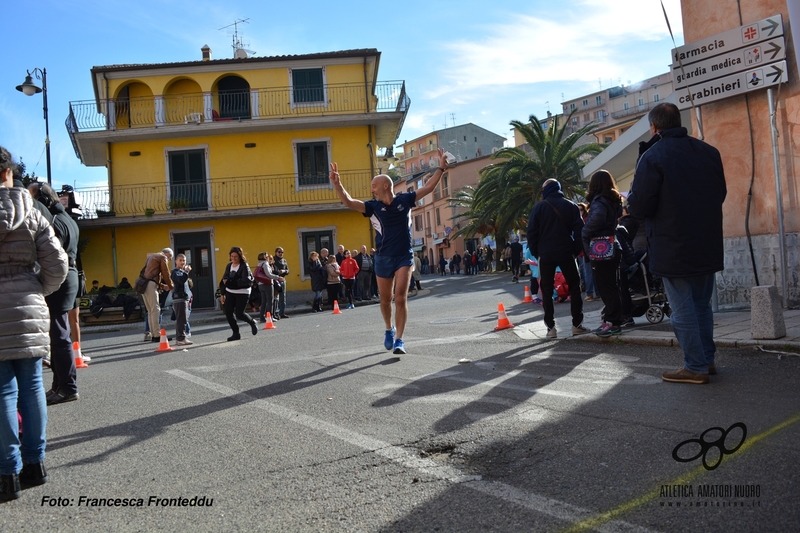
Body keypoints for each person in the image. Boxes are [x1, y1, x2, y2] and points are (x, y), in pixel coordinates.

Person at [628, 102, 726, 384]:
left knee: (682, 309)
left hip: (672, 245)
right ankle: (706, 361)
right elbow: (720, 192)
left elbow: (640, 205)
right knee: (701, 305)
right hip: (706, 241)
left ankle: (694, 366)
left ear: (654, 127)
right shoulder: (709, 152)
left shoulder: (652, 156)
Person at [329, 148, 447, 354]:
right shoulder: (372, 207)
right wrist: (337, 184)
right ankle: (388, 329)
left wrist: (441, 168)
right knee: (385, 300)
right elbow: (349, 202)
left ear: (385, 186)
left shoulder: (405, 200)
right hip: (383, 257)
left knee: (400, 297)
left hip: (403, 255)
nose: (372, 189)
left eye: (374, 186)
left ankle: (400, 340)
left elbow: (428, 188)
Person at [0, 148, 68, 500]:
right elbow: (58, 263)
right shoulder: (32, 213)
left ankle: (7, 473)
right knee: (31, 386)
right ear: (9, 173)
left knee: (2, 392)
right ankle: (35, 465)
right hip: (27, 303)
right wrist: (36, 289)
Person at [28, 182, 81, 405]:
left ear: (44, 200)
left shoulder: (55, 221)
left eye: (34, 199)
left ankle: (67, 387)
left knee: (59, 336)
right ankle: (60, 386)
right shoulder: (66, 218)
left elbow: (51, 252)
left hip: (61, 277)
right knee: (59, 334)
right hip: (69, 275)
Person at [526, 179, 589, 339]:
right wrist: (574, 250)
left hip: (545, 254)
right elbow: (580, 230)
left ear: (546, 190)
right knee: (574, 286)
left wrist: (537, 253)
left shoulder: (538, 208)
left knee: (546, 290)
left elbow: (531, 234)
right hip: (566, 252)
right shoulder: (570, 206)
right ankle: (577, 325)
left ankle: (551, 328)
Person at [582, 170, 624, 338]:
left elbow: (596, 220)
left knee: (606, 286)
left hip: (601, 247)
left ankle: (613, 322)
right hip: (612, 245)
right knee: (611, 285)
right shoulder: (612, 200)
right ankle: (612, 319)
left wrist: (584, 231)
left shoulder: (599, 202)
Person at [219, 246, 259, 341]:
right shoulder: (229, 266)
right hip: (230, 292)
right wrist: (222, 294)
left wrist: (232, 282)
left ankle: (252, 322)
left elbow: (246, 281)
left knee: (239, 314)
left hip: (243, 292)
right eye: (232, 256)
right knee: (228, 312)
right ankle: (236, 333)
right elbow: (224, 280)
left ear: (240, 256)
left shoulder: (244, 266)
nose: (233, 258)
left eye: (235, 256)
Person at [141, 248, 173, 342]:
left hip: (143, 284)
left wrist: (161, 286)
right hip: (150, 284)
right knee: (155, 309)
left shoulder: (151, 257)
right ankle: (157, 335)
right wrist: (171, 286)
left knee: (150, 310)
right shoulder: (162, 257)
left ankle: (153, 334)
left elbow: (149, 273)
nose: (169, 260)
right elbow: (165, 273)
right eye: (170, 257)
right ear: (167, 253)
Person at [171, 253, 192, 345]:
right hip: (179, 298)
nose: (182, 262)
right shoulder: (175, 272)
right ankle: (180, 339)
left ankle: (181, 337)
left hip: (184, 298)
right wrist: (187, 272)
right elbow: (181, 280)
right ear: (176, 261)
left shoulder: (182, 271)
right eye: (180, 260)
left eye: (184, 260)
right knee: (181, 319)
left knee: (183, 319)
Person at [577, 203, 597, 302]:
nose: (579, 211)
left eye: (581, 209)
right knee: (590, 272)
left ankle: (590, 293)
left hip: (587, 249)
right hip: (585, 250)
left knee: (588, 272)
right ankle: (595, 293)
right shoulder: (587, 220)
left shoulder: (584, 221)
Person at [273, 247, 290, 318]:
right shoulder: (273, 260)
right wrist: (277, 273)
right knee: (276, 297)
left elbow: (288, 270)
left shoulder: (284, 260)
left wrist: (284, 271)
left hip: (283, 280)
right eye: (279, 252)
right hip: (276, 280)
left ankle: (282, 313)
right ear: (276, 252)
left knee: (283, 297)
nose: (280, 253)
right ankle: (276, 313)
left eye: (282, 252)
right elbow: (272, 270)